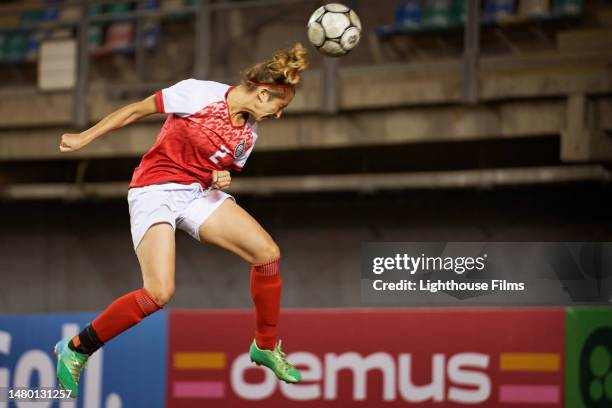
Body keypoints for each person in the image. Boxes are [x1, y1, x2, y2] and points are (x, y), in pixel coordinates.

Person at [54, 43, 308, 397]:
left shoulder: (249, 134)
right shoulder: (199, 93)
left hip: (197, 193)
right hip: (154, 190)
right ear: (264, 94)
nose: (279, 115)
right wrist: (86, 136)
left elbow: (218, 168)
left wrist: (221, 178)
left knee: (267, 253)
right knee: (158, 292)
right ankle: (77, 347)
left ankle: (264, 347)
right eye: (280, 107)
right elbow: (136, 110)